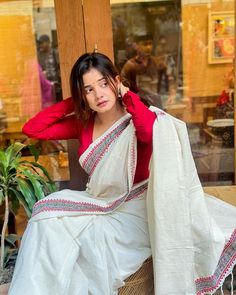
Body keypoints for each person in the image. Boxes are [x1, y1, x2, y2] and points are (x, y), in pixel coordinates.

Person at [9, 53, 236, 295]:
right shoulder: (84, 123)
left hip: (137, 211)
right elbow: (32, 128)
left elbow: (148, 133)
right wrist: (74, 100)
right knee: (46, 216)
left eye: (104, 84)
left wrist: (127, 96)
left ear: (116, 82)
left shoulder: (136, 119)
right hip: (100, 203)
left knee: (71, 231)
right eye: (89, 90)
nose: (99, 95)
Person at [121, 34, 163, 108]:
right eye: (145, 44)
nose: (148, 47)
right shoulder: (130, 65)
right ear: (136, 46)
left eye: (150, 43)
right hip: (139, 106)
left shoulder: (157, 62)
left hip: (157, 105)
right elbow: (123, 87)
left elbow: (168, 81)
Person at [37, 34, 62, 102]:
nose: (41, 45)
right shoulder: (39, 55)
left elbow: (60, 67)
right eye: (40, 43)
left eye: (42, 43)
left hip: (57, 86)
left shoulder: (54, 52)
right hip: (46, 86)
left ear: (48, 42)